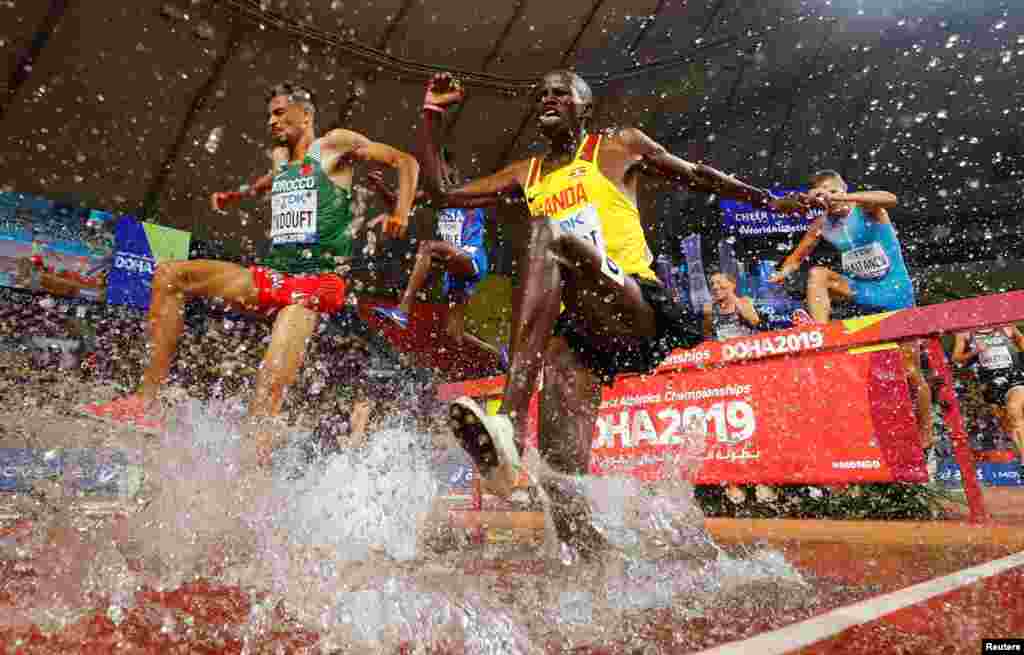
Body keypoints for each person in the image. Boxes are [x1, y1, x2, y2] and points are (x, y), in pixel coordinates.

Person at [416, 71, 789, 553]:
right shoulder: (526, 173)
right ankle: (597, 561)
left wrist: (769, 200)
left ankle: (508, 421)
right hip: (582, 334)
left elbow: (696, 176)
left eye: (560, 92)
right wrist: (431, 116)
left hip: (635, 305)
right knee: (559, 478)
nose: (547, 98)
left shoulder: (616, 147)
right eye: (541, 93)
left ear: (584, 107)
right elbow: (446, 193)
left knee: (550, 236)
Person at [81, 82, 419, 465]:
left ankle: (252, 478)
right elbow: (269, 182)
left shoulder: (334, 145)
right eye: (269, 114)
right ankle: (145, 402)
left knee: (268, 387)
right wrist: (237, 196)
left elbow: (406, 162)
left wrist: (401, 213)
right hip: (271, 275)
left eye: (278, 112)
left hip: (312, 286)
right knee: (170, 275)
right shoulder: (280, 159)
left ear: (305, 115)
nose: (270, 120)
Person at [768, 170, 934, 452]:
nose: (831, 197)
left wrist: (844, 196)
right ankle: (820, 337)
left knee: (909, 371)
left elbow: (889, 198)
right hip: (861, 291)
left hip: (896, 295)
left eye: (834, 190)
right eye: (825, 193)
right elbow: (799, 255)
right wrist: (783, 272)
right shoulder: (823, 222)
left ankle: (927, 430)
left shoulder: (867, 208)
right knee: (818, 274)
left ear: (844, 189)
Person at [366, 150, 508, 368]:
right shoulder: (436, 196)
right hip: (454, 267)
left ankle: (403, 309)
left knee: (428, 247)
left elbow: (496, 194)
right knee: (454, 333)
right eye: (435, 172)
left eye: (442, 171)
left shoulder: (469, 190)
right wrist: (379, 187)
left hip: (471, 257)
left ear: (454, 171)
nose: (437, 176)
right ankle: (501, 356)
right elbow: (397, 202)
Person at [952, 325, 1024, 461]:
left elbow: (1021, 341)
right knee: (1009, 426)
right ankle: (1021, 460)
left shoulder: (1007, 327)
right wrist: (975, 351)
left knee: (1014, 411)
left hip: (1014, 379)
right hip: (990, 386)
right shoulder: (964, 333)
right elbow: (956, 359)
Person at [703, 270, 760, 341]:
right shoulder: (710, 308)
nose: (715, 287)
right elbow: (707, 334)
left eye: (719, 282)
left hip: (745, 347)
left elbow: (754, 321)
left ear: (732, 284)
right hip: (723, 349)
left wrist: (730, 295)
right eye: (712, 284)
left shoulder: (744, 301)